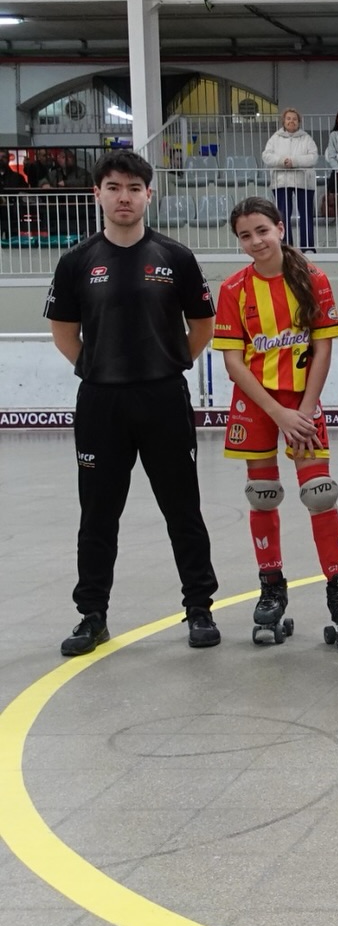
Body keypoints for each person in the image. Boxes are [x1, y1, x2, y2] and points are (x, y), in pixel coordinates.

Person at [43, 151, 220, 655]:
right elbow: (64, 331)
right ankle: (92, 614)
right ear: (97, 193)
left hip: (164, 398)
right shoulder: (76, 261)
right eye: (114, 187)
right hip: (101, 404)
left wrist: (165, 364)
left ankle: (199, 608)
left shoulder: (176, 257)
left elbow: (202, 325)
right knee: (98, 513)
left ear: (149, 194)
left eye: (134, 188)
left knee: (182, 508)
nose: (124, 196)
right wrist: (98, 372)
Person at [213, 197, 338, 643]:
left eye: (262, 230)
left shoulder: (312, 280)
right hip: (257, 405)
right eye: (245, 235)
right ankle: (271, 590)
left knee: (319, 493)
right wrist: (277, 412)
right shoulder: (233, 290)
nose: (256, 241)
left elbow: (323, 348)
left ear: (280, 228)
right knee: (263, 494)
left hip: (303, 404)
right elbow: (234, 363)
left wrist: (303, 408)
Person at [261, 108, 320, 253]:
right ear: (283, 121)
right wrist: (282, 161)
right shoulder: (275, 138)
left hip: (303, 181)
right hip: (282, 181)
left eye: (294, 119)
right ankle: (286, 246)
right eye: (288, 118)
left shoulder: (307, 138)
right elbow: (266, 156)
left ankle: (307, 247)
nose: (291, 121)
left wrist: (294, 161)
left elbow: (313, 157)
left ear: (299, 122)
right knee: (282, 214)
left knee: (305, 213)